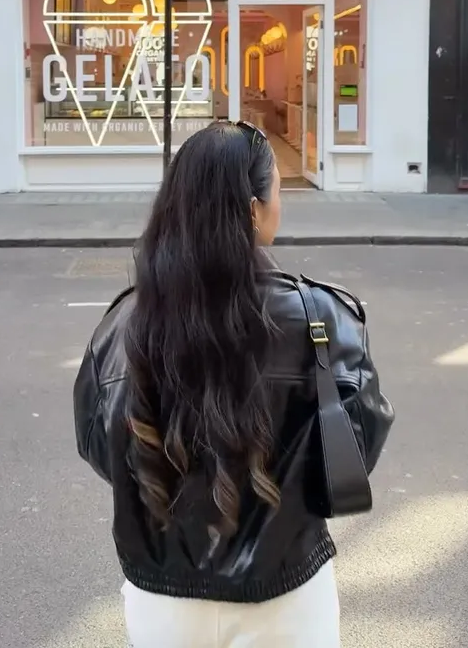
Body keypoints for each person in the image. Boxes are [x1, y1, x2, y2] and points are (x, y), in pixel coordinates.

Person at [73, 121, 394, 648]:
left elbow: (99, 445)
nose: (280, 205)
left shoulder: (123, 324)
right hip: (287, 594)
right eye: (277, 193)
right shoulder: (322, 318)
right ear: (252, 208)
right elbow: (357, 444)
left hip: (162, 596)